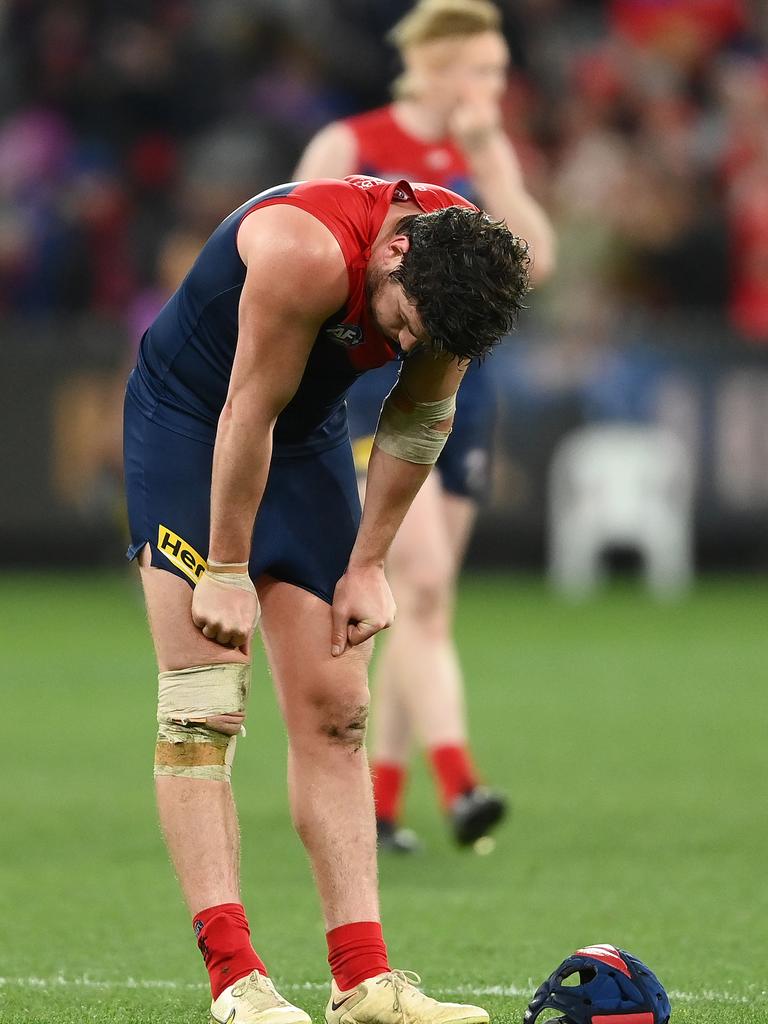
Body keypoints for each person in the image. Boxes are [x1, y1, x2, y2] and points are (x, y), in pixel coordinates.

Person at [123, 174, 529, 1024]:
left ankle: (364, 983)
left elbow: (419, 420)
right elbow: (246, 411)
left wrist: (369, 564)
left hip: (302, 441)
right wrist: (227, 570)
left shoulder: (462, 274)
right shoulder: (303, 250)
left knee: (339, 707)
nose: (404, 343)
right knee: (202, 706)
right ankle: (235, 981)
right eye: (399, 323)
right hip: (195, 425)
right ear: (392, 251)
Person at [295, 0, 555, 851]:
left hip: (460, 387)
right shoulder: (353, 141)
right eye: (481, 68)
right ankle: (461, 784)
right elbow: (305, 239)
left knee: (425, 604)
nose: (493, 85)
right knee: (424, 580)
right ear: (436, 68)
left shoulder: (483, 153)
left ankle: (381, 800)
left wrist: (491, 158)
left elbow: (535, 263)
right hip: (373, 384)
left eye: (498, 70)